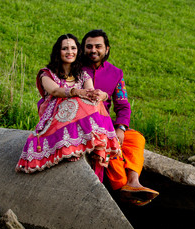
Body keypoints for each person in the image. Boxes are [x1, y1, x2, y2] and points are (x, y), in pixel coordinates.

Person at [15, 33, 120, 179]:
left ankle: (94, 143)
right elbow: (54, 91)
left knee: (94, 101)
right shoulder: (47, 73)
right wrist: (75, 92)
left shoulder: (82, 75)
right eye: (65, 48)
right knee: (75, 101)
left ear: (78, 51)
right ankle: (69, 146)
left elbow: (90, 93)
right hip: (55, 118)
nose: (70, 52)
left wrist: (102, 95)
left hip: (78, 117)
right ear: (58, 51)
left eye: (73, 48)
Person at [81, 29, 159, 206]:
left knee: (136, 139)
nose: (93, 50)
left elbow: (123, 105)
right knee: (110, 146)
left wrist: (121, 128)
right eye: (89, 46)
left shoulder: (116, 74)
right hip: (86, 124)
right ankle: (122, 188)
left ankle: (133, 182)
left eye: (98, 46)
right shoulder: (76, 69)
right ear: (83, 49)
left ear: (107, 49)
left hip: (108, 123)